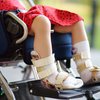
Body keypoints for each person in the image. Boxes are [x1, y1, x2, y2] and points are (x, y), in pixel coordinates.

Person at [0, 0, 100, 90]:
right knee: (42, 21)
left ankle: (87, 71)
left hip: (23, 13)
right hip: (9, 23)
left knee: (76, 21)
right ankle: (50, 76)